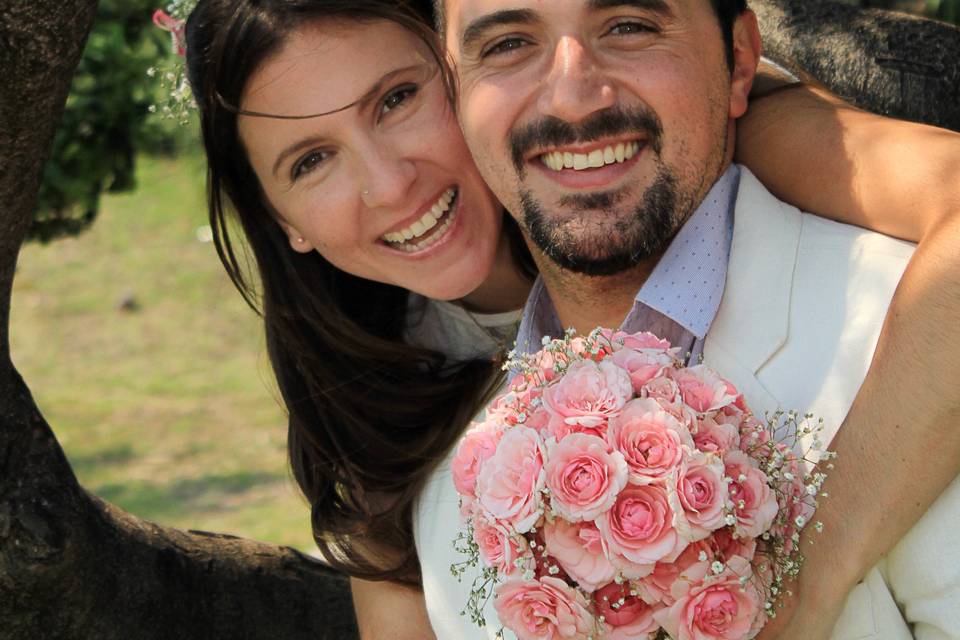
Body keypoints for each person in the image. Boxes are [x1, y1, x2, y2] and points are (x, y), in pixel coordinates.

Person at [180, 0, 960, 637]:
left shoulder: (753, 163)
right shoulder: (395, 435)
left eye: (397, 100)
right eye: (310, 161)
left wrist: (802, 577)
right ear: (281, 221)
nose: (389, 185)